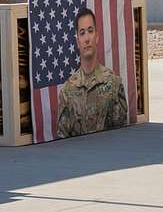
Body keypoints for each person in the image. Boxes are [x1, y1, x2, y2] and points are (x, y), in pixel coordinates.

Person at [55, 7, 130, 138]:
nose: (87, 38)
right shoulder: (67, 91)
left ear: (97, 37)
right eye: (82, 33)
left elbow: (122, 137)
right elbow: (63, 142)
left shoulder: (113, 84)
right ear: (78, 41)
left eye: (90, 31)